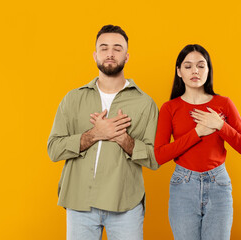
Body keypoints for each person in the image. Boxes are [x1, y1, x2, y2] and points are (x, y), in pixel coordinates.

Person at [47, 25, 159, 240]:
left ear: (126, 56)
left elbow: (155, 158)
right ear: (95, 54)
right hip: (79, 204)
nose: (110, 53)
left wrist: (123, 139)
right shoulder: (72, 99)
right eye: (104, 47)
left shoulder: (145, 103)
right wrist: (94, 134)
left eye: (117, 48)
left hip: (126, 205)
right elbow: (54, 149)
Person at [154, 44, 241, 240]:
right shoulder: (169, 108)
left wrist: (220, 126)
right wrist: (197, 132)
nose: (195, 71)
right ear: (179, 72)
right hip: (183, 185)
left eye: (201, 65)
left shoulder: (223, 104)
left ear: (208, 70)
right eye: (188, 66)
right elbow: (160, 155)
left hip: (219, 185)